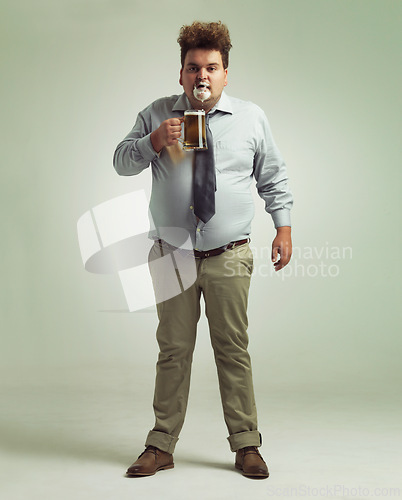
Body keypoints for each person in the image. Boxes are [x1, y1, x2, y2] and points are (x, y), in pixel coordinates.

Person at [113, 21, 293, 479]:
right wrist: (154, 142)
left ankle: (246, 445)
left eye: (211, 67)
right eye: (193, 67)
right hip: (172, 252)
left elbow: (272, 176)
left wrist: (282, 228)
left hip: (229, 252)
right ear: (181, 74)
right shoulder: (157, 114)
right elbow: (120, 161)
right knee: (173, 350)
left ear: (226, 73)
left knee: (233, 348)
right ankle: (161, 445)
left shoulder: (251, 117)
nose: (202, 75)